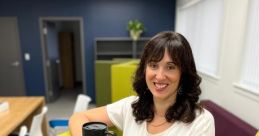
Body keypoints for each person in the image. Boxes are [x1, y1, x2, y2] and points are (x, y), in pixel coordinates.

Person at [69, 31, 215, 136]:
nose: (159, 76)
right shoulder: (131, 107)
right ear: (145, 69)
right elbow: (78, 118)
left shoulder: (201, 121)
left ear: (183, 73)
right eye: (153, 65)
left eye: (170, 67)